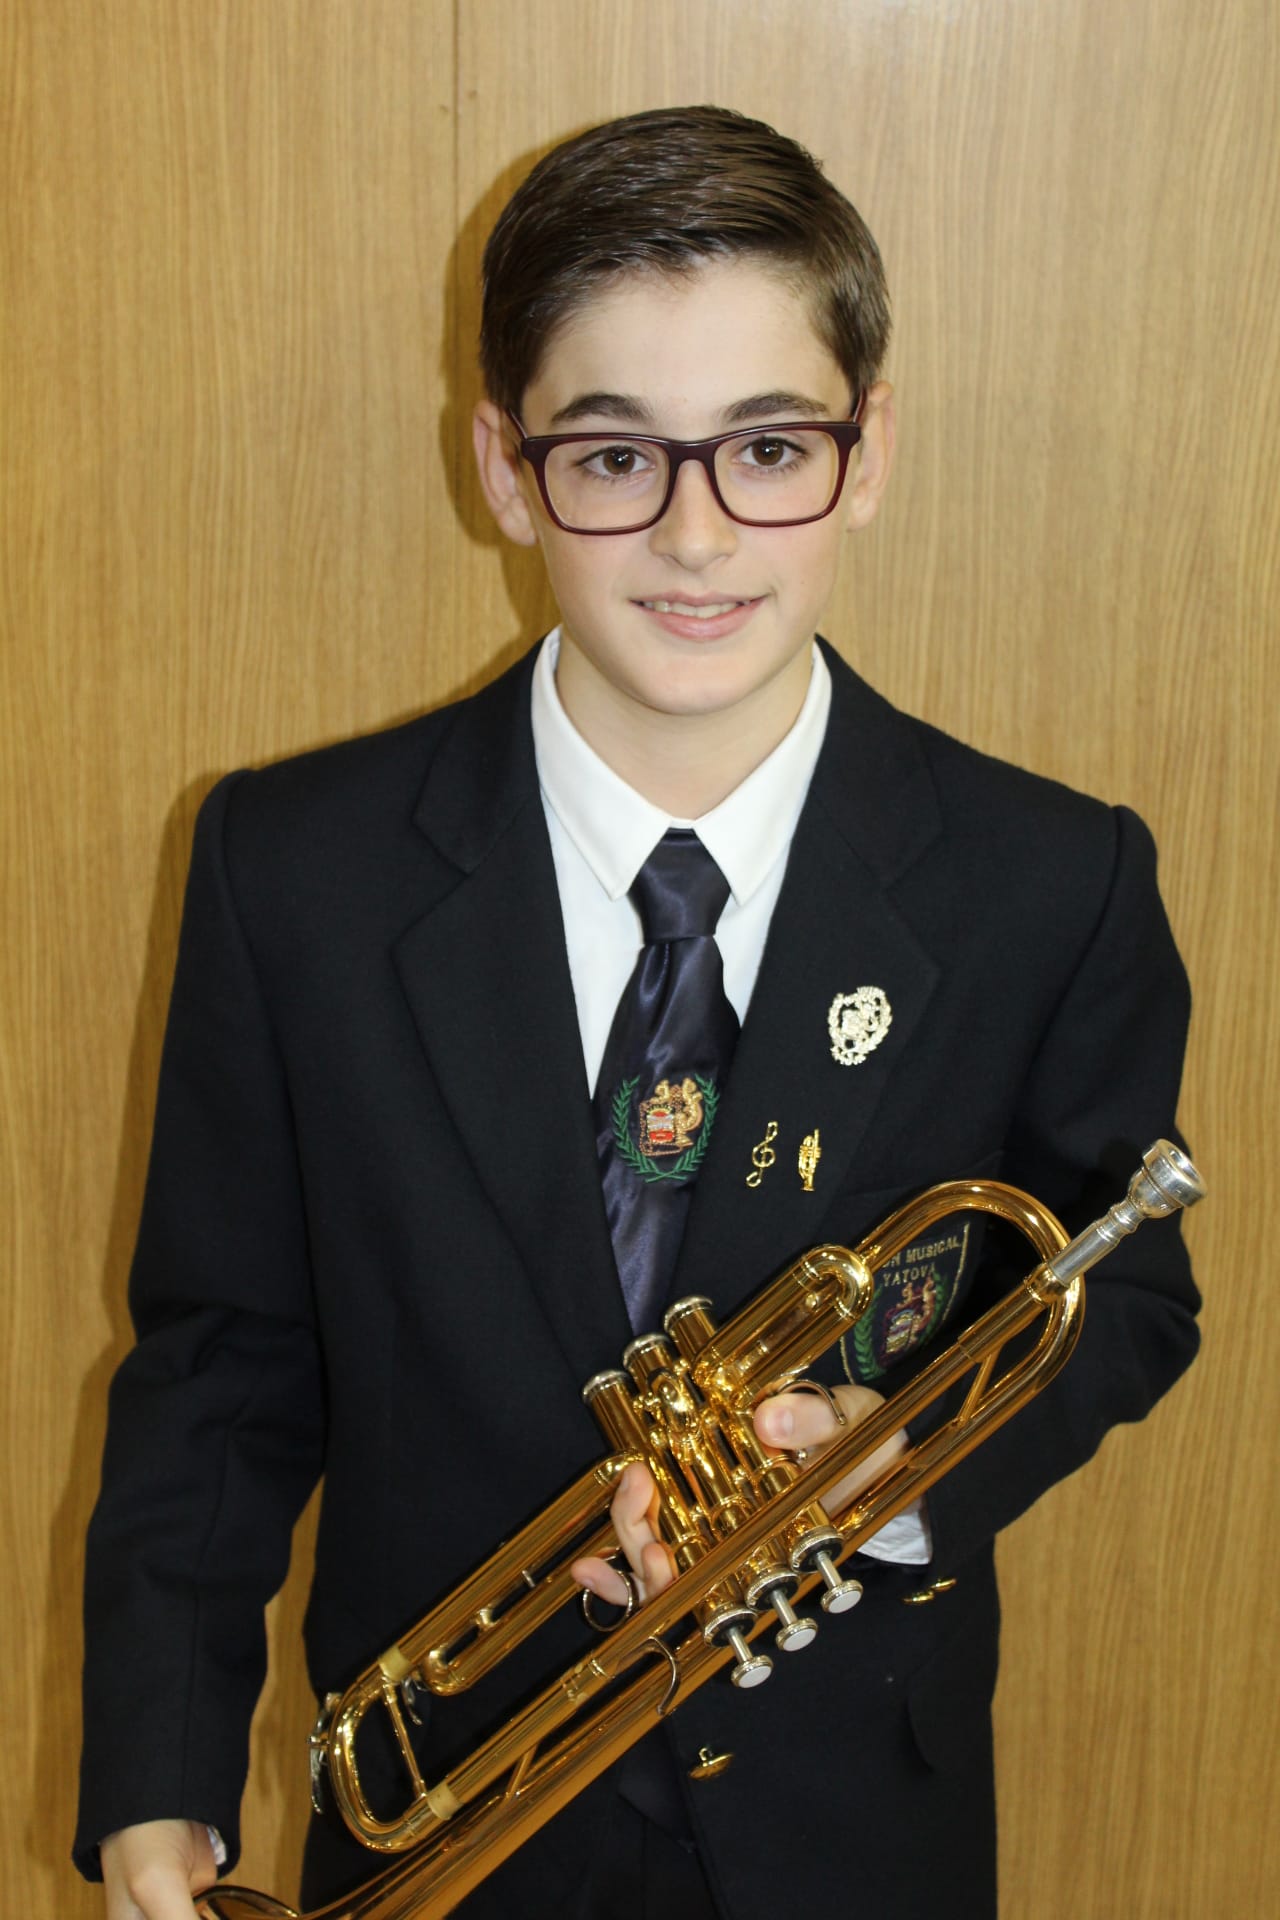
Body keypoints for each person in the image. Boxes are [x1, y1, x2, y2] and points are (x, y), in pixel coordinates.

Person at [77, 106, 1199, 1920]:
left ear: (869, 452)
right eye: (613, 455)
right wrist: (159, 1778)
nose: (695, 534)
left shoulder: (1046, 880)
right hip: (451, 1825)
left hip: (856, 1833)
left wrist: (891, 1452)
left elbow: (1121, 1285)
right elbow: (220, 1361)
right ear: (505, 470)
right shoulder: (294, 872)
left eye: (768, 447)